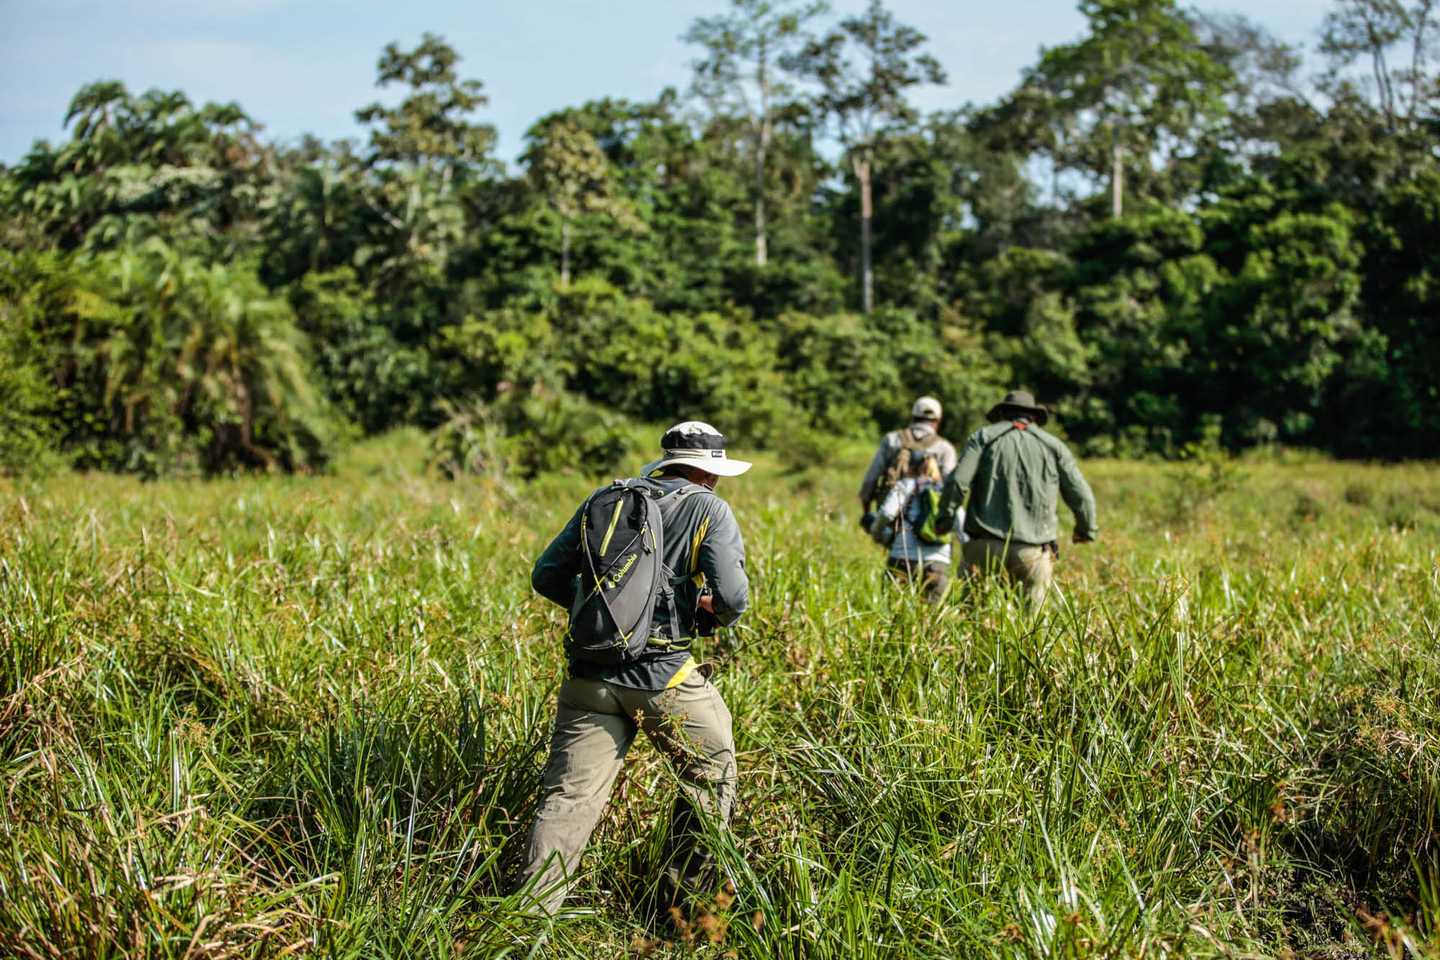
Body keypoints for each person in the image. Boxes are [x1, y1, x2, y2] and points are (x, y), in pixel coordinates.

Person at [520, 421, 751, 920]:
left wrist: (601, 615)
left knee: (567, 800)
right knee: (713, 770)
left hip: (589, 676)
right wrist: (702, 611)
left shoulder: (607, 499)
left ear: (665, 463)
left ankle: (525, 925)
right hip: (663, 679)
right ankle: (678, 914)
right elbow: (733, 598)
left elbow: (546, 575)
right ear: (708, 474)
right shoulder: (708, 507)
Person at [935, 390, 1098, 606]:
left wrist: (944, 521)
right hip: (1033, 551)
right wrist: (1085, 530)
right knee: (1029, 628)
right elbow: (1081, 494)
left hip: (983, 547)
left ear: (1002, 413)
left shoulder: (983, 438)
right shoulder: (1053, 445)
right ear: (1034, 417)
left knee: (974, 621)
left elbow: (957, 482)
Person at [868, 446, 963, 602]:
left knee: (894, 611)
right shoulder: (946, 490)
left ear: (911, 467)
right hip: (938, 560)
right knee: (932, 617)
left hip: (903, 555)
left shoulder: (906, 485)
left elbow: (886, 513)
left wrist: (876, 532)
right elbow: (961, 524)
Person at [858, 396, 958, 518]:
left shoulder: (892, 439)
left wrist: (866, 512)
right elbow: (950, 487)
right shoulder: (945, 448)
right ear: (938, 420)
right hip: (928, 517)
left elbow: (871, 477)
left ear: (913, 416)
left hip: (890, 513)